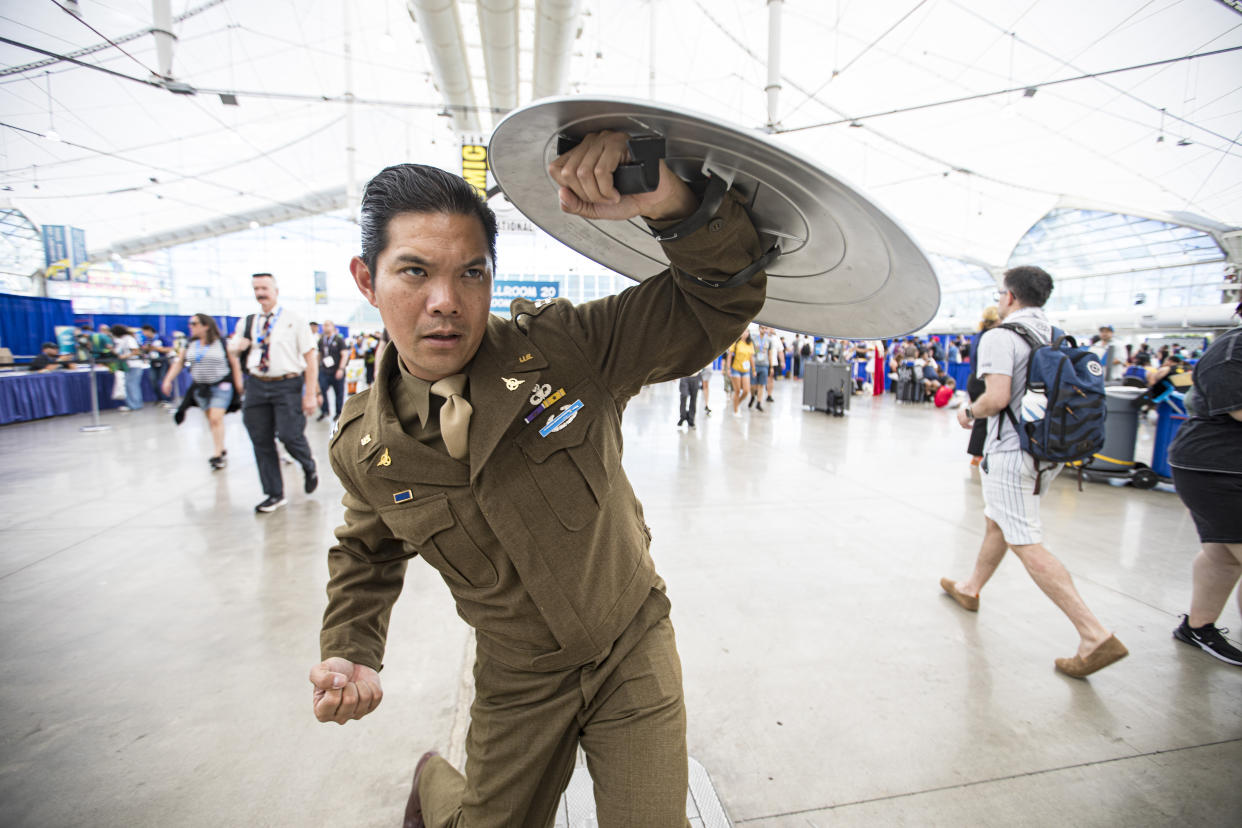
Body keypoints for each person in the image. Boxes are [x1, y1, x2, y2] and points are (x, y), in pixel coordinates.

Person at [306, 130, 766, 827]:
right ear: (366, 280)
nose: (446, 300)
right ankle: (435, 785)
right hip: (520, 678)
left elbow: (714, 303)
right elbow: (367, 553)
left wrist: (672, 202)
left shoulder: (564, 351)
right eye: (414, 272)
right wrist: (350, 649)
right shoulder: (367, 451)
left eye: (471, 273)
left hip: (628, 644)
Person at [941, 266, 1127, 678]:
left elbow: (996, 397)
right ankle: (970, 588)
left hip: (1011, 451)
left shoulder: (1000, 336)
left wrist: (967, 412)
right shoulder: (1056, 335)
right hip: (1049, 450)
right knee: (999, 522)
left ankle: (1094, 635)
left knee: (1024, 539)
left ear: (1009, 296)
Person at [1167, 307, 1242, 666]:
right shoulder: (1232, 352)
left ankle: (1197, 627)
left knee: (1223, 556)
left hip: (1220, 466)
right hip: (1216, 469)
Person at [229, 272, 320, 513]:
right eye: (256, 288)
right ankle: (274, 494)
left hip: (287, 384)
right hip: (257, 384)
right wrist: (239, 348)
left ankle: (308, 464)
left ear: (275, 290)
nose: (260, 292)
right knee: (261, 440)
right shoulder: (247, 323)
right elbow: (234, 351)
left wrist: (310, 394)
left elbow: (311, 358)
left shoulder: (294, 320)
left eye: (264, 287)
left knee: (290, 435)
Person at [162, 314, 244, 470]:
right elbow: (179, 363)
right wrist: (168, 380)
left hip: (221, 385)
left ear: (206, 325)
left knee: (215, 418)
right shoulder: (190, 344)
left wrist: (239, 384)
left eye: (194, 323)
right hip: (201, 388)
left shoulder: (221, 343)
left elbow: (234, 364)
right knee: (211, 419)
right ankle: (220, 446)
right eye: (190, 324)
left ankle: (217, 453)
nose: (191, 326)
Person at [966, 306, 1000, 465]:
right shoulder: (990, 337)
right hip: (981, 380)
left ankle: (977, 454)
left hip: (974, 379)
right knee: (983, 416)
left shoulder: (980, 336)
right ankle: (977, 454)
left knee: (982, 417)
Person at [317, 319, 348, 421]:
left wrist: (341, 369)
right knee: (322, 389)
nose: (325, 327)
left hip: (337, 370)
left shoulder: (339, 340)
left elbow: (344, 355)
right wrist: (317, 367)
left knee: (339, 392)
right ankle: (324, 411)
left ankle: (339, 412)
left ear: (333, 327)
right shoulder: (321, 340)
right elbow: (320, 355)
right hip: (324, 371)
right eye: (324, 325)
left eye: (327, 325)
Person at [109, 324, 145, 411]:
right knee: (129, 385)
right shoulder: (122, 340)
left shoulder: (129, 339)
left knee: (132, 385)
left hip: (134, 365)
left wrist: (126, 356)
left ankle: (135, 405)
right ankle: (133, 404)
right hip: (128, 365)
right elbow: (118, 352)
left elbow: (136, 351)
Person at [141, 325, 174, 406]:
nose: (144, 334)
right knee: (153, 380)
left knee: (164, 379)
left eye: (144, 331)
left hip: (163, 361)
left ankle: (167, 399)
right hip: (152, 361)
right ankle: (159, 398)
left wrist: (158, 349)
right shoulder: (147, 340)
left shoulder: (161, 338)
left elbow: (169, 348)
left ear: (149, 330)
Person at [728, 329, 756, 414]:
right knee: (737, 390)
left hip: (746, 370)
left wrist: (754, 370)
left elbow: (751, 358)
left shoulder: (750, 343)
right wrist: (728, 369)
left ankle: (736, 404)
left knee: (746, 391)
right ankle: (736, 410)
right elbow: (729, 356)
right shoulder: (736, 343)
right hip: (736, 369)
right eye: (743, 331)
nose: (745, 333)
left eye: (747, 332)